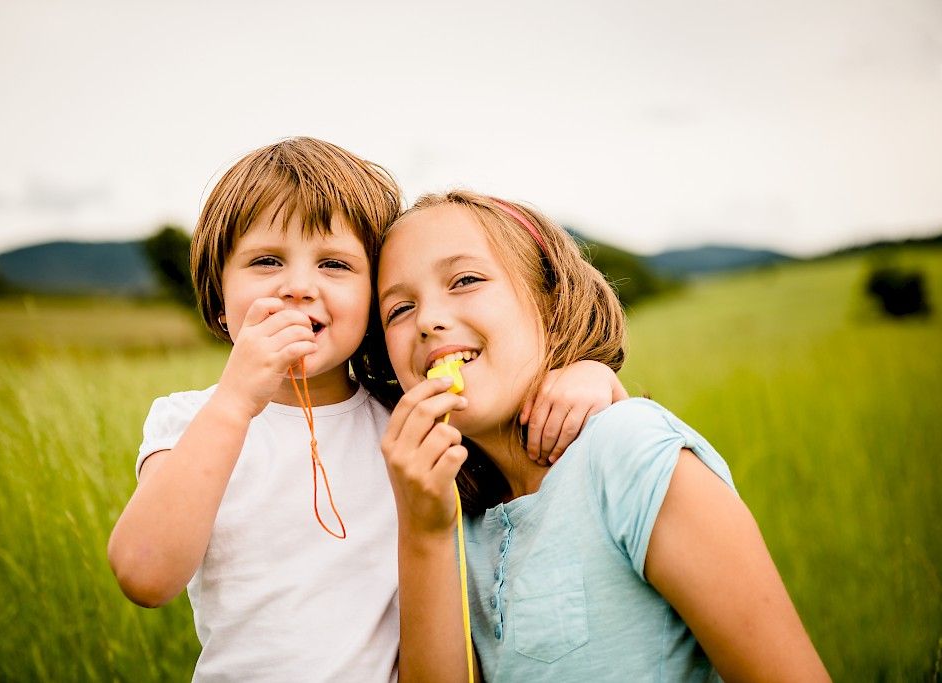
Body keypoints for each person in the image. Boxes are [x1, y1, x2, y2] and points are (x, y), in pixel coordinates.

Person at [106, 139, 628, 682]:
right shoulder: (192, 423)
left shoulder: (409, 424)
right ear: (218, 298)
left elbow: (518, 435)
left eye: (334, 264)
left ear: (376, 300)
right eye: (265, 261)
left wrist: (591, 374)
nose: (299, 288)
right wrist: (236, 400)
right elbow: (145, 574)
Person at [376, 190, 830, 681]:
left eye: (465, 280)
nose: (428, 321)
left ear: (550, 301)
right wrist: (424, 533)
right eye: (398, 310)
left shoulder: (629, 450)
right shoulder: (449, 520)